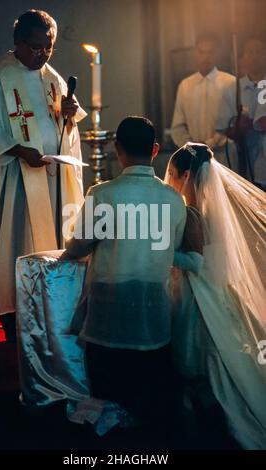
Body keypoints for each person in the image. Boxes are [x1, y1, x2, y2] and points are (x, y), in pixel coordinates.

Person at [0, 9, 86, 341]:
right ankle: (15, 326)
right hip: (16, 186)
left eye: (48, 47)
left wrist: (69, 115)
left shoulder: (53, 78)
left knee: (52, 248)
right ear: (18, 43)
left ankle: (53, 322)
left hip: (51, 186)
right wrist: (19, 150)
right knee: (17, 251)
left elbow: (66, 128)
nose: (42, 54)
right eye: (35, 47)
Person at [64, 116, 186, 424]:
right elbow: (173, 248)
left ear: (117, 148)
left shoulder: (103, 194)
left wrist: (68, 247)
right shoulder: (174, 198)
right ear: (155, 150)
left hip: (109, 317)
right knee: (149, 410)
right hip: (153, 318)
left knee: (107, 406)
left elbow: (79, 248)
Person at [165, 142, 266, 449]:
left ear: (185, 175)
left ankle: (208, 426)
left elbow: (195, 263)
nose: (168, 180)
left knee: (210, 362)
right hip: (220, 291)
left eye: (171, 174)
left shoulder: (192, 213)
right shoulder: (214, 211)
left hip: (201, 299)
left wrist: (164, 253)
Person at [171, 33, 236, 167]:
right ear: (195, 53)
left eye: (210, 52)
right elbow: (178, 127)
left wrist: (210, 143)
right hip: (195, 159)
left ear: (217, 54)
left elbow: (233, 123)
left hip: (224, 157)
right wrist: (191, 149)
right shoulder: (185, 85)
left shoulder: (230, 83)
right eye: (201, 52)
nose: (206, 57)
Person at [216, 36, 266, 188]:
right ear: (242, 58)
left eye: (259, 52)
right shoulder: (233, 89)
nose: (254, 57)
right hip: (243, 164)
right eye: (249, 52)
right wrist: (237, 128)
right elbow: (223, 126)